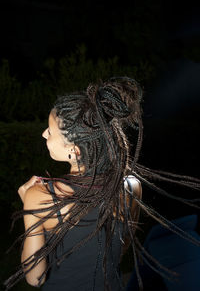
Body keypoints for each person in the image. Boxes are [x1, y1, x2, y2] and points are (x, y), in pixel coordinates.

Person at [4, 77, 200, 291]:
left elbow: (35, 277)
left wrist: (30, 209)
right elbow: (120, 248)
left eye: (50, 132)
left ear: (75, 150)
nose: (44, 134)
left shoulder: (40, 195)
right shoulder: (131, 185)